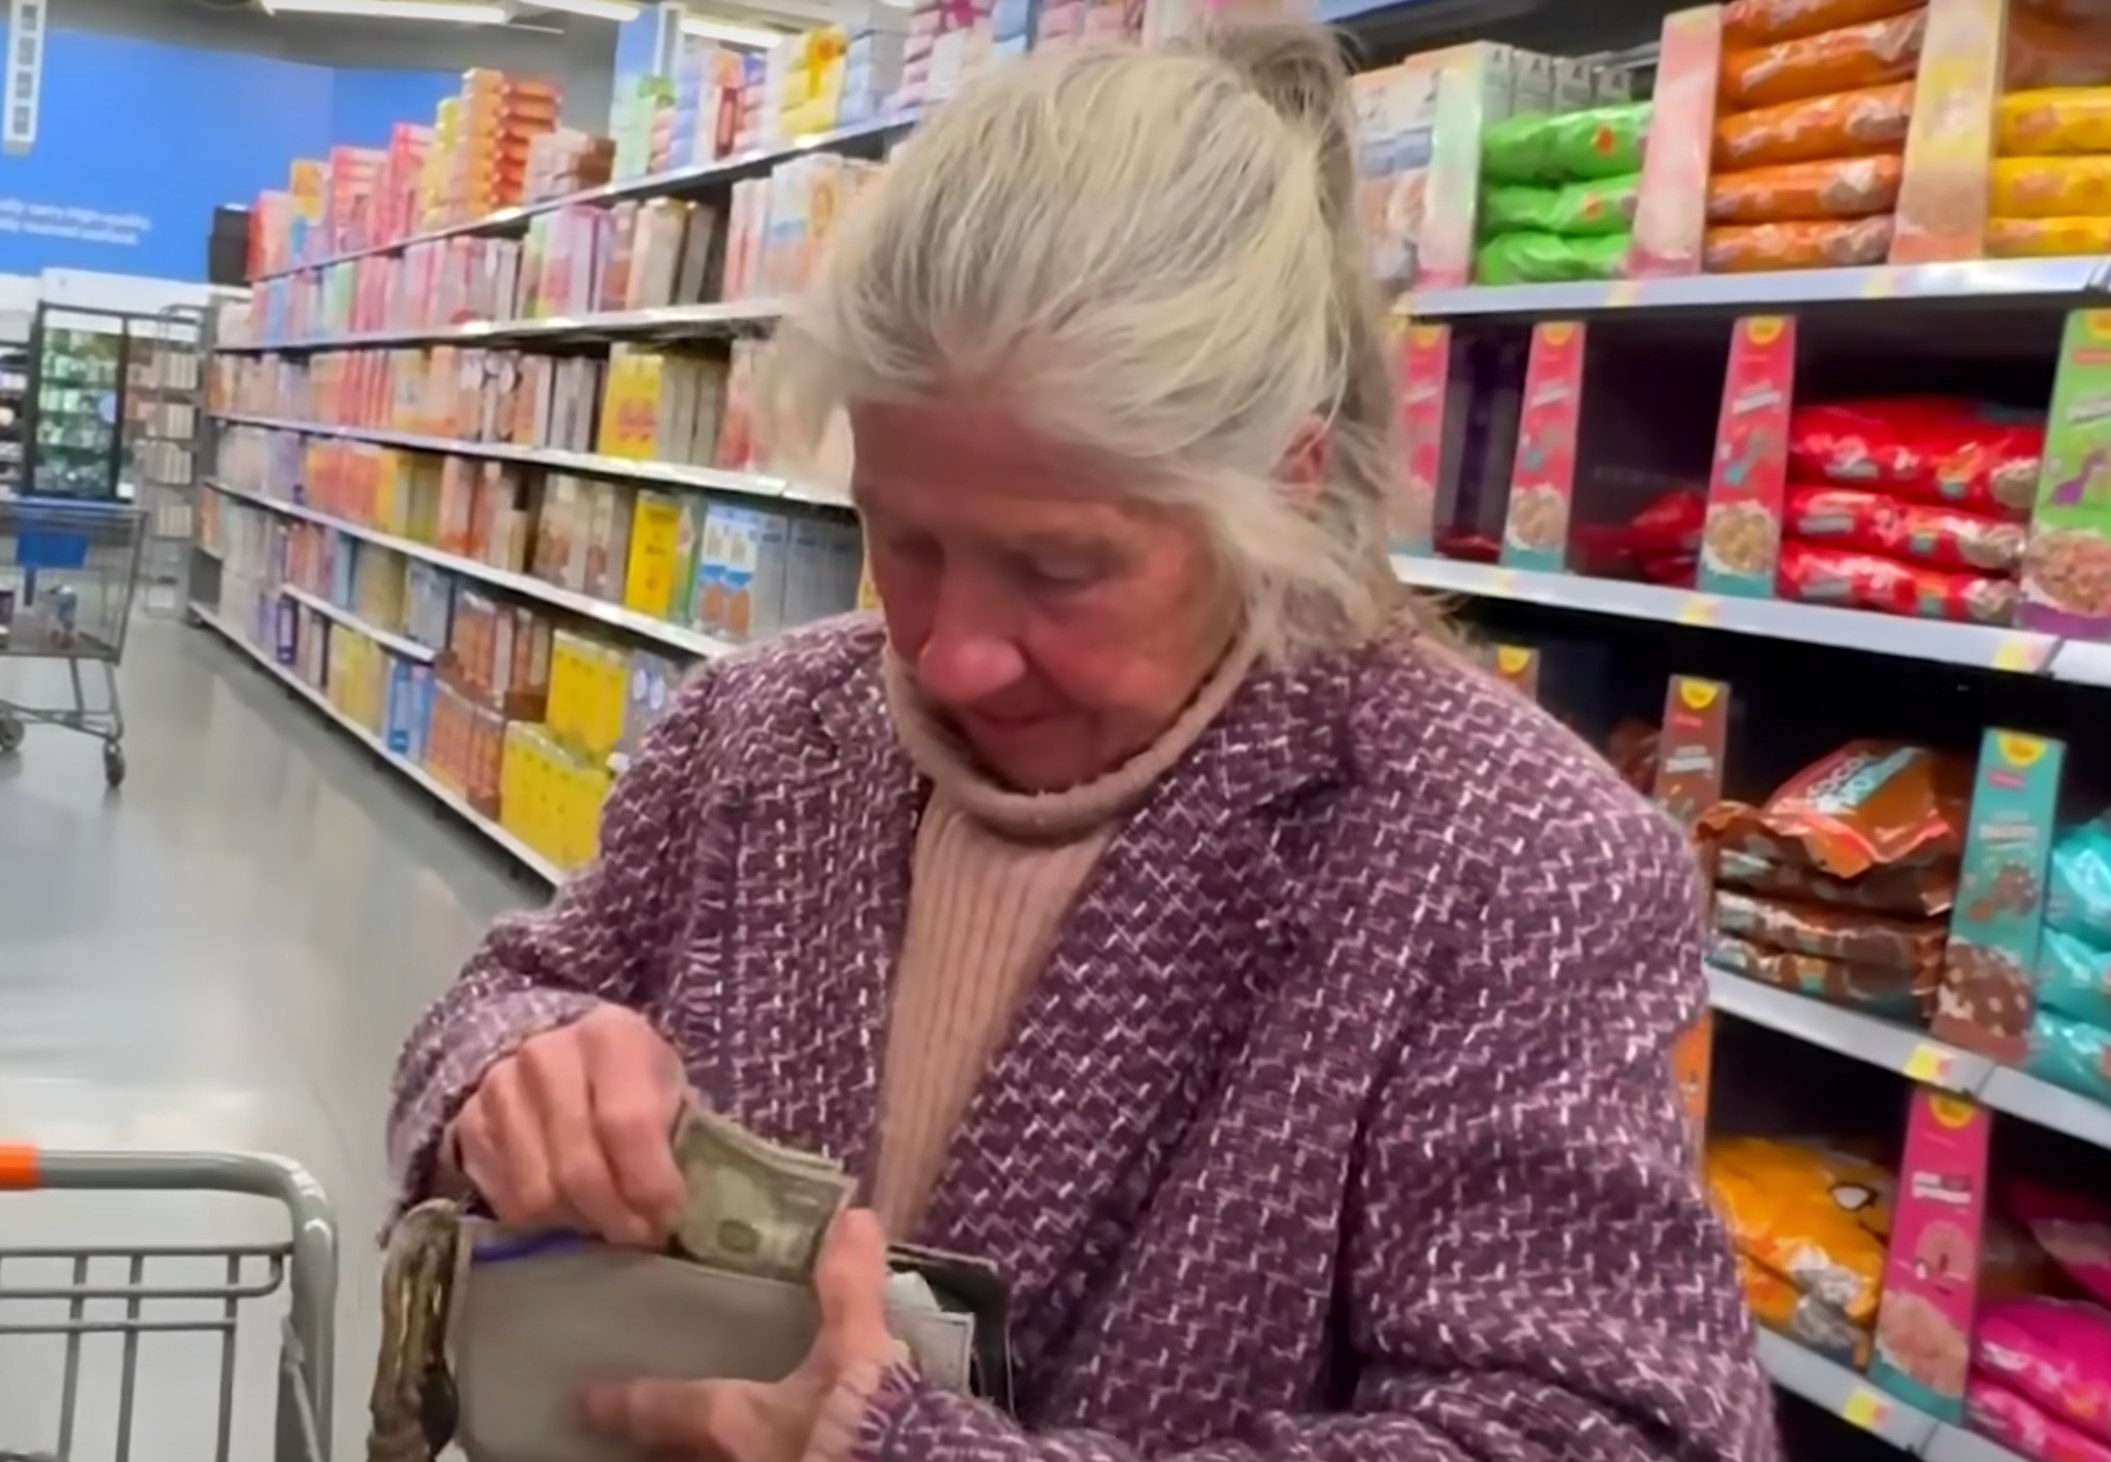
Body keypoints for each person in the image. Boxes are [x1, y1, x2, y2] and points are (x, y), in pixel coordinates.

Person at [388, 22, 1778, 1462]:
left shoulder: (1509, 857)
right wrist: (516, 1070)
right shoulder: (755, 729)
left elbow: (1601, 1430)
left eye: (1057, 568)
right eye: (903, 538)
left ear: (1286, 487)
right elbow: (516, 990)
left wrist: (906, 1451)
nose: (948, 653)